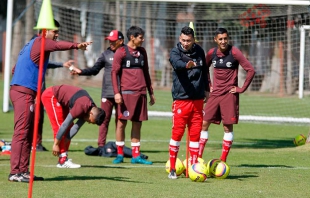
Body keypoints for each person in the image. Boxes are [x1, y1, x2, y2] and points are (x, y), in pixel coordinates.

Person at [8, 19, 92, 182]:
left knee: (28, 133)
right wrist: (76, 45)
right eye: (55, 31)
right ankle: (15, 173)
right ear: (45, 31)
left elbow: (14, 69)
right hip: (24, 93)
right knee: (22, 132)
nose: (57, 34)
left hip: (23, 92)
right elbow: (58, 46)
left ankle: (22, 171)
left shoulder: (32, 44)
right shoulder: (41, 41)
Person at [198, 28, 255, 162]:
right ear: (215, 40)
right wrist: (208, 86)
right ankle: (198, 158)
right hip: (215, 94)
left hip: (229, 95)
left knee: (227, 127)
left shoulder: (234, 52)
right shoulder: (212, 53)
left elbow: (250, 70)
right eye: (220, 39)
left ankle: (223, 160)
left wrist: (241, 89)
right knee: (204, 124)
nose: (223, 41)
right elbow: (204, 69)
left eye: (225, 38)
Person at [70, 30, 125, 148]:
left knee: (120, 122)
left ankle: (119, 148)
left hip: (122, 94)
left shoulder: (127, 53)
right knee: (103, 120)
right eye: (109, 41)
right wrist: (81, 72)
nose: (110, 43)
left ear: (121, 41)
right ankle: (101, 146)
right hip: (107, 93)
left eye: (113, 41)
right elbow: (95, 70)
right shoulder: (105, 54)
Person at [167, 26, 209, 179]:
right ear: (180, 39)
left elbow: (204, 71)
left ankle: (193, 167)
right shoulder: (175, 52)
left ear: (193, 40)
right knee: (177, 133)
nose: (185, 43)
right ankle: (172, 168)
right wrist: (187, 65)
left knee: (195, 135)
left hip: (197, 100)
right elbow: (176, 64)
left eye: (188, 41)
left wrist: (207, 89)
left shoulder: (199, 51)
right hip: (181, 100)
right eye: (183, 40)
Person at [111, 26, 155, 165]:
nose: (143, 40)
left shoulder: (142, 52)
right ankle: (119, 154)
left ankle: (136, 156)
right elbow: (114, 73)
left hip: (141, 93)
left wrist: (150, 92)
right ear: (132, 37)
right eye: (140, 37)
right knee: (121, 123)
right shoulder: (121, 52)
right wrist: (117, 93)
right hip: (126, 94)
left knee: (137, 124)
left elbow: (146, 72)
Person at [41, 84, 105, 168]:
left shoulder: (91, 109)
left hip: (61, 100)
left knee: (69, 127)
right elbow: (64, 125)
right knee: (59, 125)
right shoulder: (82, 106)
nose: (89, 123)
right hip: (51, 95)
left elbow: (76, 127)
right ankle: (62, 160)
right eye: (91, 121)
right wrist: (56, 144)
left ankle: (64, 158)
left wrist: (66, 139)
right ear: (91, 114)